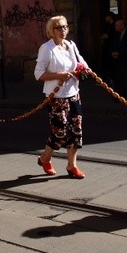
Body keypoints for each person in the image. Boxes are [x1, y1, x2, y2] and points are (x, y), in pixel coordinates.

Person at [34, 15, 88, 179]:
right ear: (52, 30)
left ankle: (72, 165)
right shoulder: (47, 48)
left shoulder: (70, 45)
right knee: (60, 132)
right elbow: (38, 74)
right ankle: (45, 158)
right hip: (56, 96)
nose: (63, 30)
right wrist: (59, 75)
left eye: (65, 26)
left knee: (76, 131)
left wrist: (85, 69)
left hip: (73, 94)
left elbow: (80, 61)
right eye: (59, 27)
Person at [111, 19, 127, 100]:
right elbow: (114, 45)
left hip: (126, 60)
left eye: (117, 25)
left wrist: (120, 53)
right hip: (117, 61)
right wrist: (113, 52)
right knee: (119, 78)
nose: (115, 27)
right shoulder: (116, 35)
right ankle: (119, 96)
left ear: (122, 25)